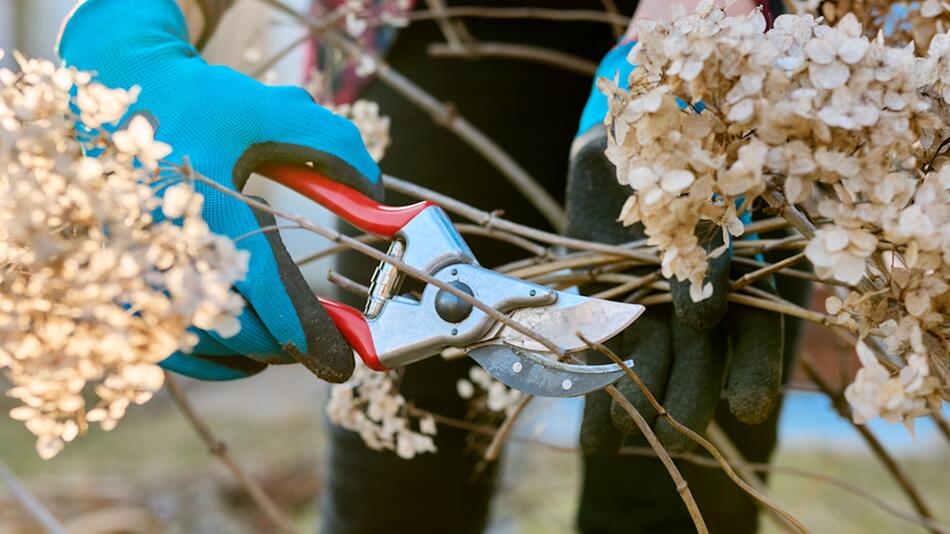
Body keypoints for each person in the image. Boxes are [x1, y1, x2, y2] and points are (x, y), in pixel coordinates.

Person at [58, 0, 807, 532]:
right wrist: (129, 29)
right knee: (395, 497)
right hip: (430, 29)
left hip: (737, 37)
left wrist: (700, 33)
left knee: (674, 483)